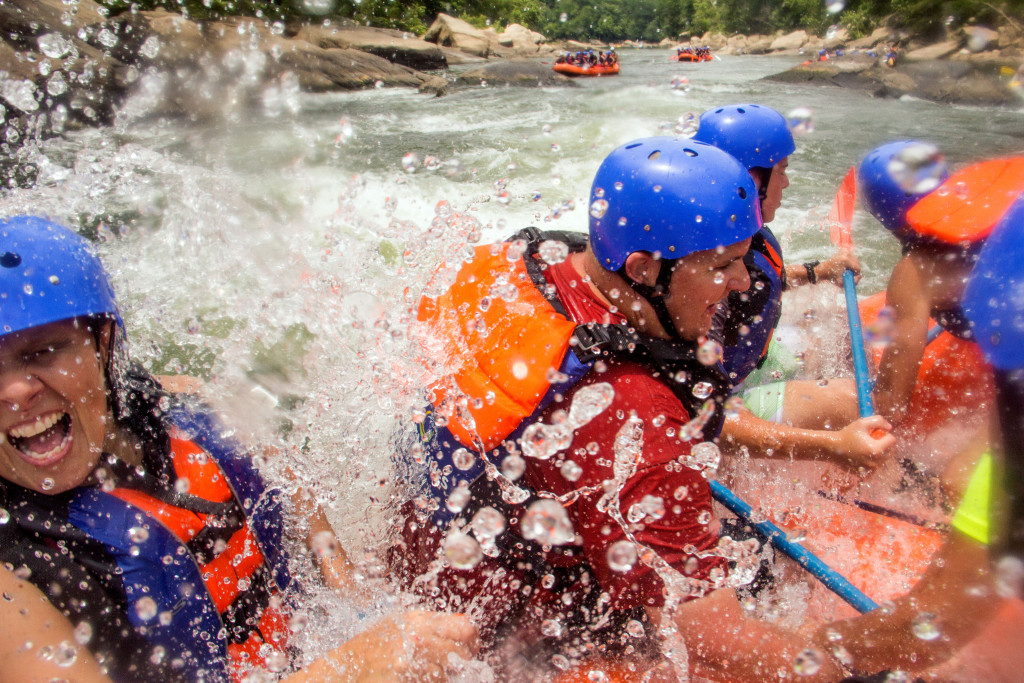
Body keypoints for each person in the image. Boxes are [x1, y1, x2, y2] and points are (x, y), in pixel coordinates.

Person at [390, 138, 850, 681]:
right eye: (723, 265)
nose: (744, 282)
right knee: (764, 568)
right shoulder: (635, 411)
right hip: (515, 630)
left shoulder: (529, 264)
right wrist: (842, 666)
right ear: (643, 269)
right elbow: (712, 642)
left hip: (436, 559)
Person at [0, 216, 478, 682]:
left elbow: (279, 469)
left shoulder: (174, 406)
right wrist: (350, 668)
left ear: (102, 345)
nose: (17, 391)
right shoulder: (10, 582)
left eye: (41, 352)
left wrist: (346, 584)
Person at [807, 192, 1024, 680]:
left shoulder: (919, 266)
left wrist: (810, 651)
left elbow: (928, 628)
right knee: (958, 479)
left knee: (958, 482)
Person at [691, 103, 894, 471]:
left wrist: (818, 271)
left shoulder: (738, 237)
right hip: (726, 403)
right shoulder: (707, 274)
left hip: (747, 367)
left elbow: (759, 284)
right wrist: (834, 446)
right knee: (854, 399)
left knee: (826, 329)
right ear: (752, 179)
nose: (786, 183)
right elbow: (705, 414)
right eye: (781, 171)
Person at [859, 142, 1024, 430]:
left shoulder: (915, 272)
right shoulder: (1002, 212)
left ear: (881, 215)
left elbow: (892, 405)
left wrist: (856, 397)